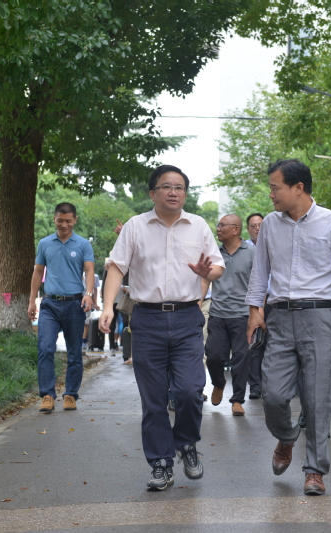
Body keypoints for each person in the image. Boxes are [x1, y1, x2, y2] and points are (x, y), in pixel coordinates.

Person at [246, 159, 331, 497]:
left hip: (322, 318)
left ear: (298, 188)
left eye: (275, 187)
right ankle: (287, 437)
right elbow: (260, 271)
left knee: (318, 398)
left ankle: (315, 470)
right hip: (279, 318)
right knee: (272, 395)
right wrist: (255, 311)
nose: (271, 194)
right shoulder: (270, 225)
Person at [99, 165, 224, 491]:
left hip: (186, 317)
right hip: (148, 319)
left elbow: (217, 267)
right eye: (167, 186)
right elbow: (116, 268)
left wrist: (207, 273)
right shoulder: (135, 227)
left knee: (189, 390)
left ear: (185, 194)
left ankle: (187, 443)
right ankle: (160, 464)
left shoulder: (198, 225)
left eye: (179, 187)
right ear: (152, 193)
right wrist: (108, 307)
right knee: (153, 398)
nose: (173, 192)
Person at [28, 203, 95, 415]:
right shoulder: (45, 243)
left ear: (74, 220)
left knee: (74, 352)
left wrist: (89, 293)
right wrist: (32, 300)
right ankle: (47, 395)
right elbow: (38, 272)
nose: (64, 225)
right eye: (60, 220)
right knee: (45, 348)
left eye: (68, 221)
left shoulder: (83, 244)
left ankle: (70, 395)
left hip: (75, 304)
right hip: (50, 304)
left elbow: (89, 270)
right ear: (54, 219)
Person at [205, 214, 256, 416]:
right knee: (214, 356)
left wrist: (258, 312)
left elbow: (259, 283)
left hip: (243, 315)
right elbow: (205, 279)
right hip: (218, 314)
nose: (218, 228)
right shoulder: (214, 253)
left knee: (241, 358)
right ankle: (218, 383)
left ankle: (237, 400)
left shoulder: (252, 252)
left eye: (222, 225)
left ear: (235, 229)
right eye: (218, 225)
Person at [245, 212, 266, 398]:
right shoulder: (244, 249)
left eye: (260, 225)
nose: (257, 229)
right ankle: (255, 386)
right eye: (253, 226)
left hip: (273, 301)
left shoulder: (273, 244)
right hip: (251, 303)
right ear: (247, 229)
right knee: (254, 345)